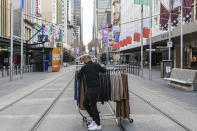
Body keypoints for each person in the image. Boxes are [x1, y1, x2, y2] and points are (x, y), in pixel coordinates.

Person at [77, 55, 106, 130]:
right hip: (95, 88)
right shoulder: (96, 65)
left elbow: (78, 76)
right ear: (90, 59)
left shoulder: (84, 67)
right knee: (85, 104)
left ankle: (98, 124)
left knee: (93, 106)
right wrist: (102, 66)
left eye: (84, 60)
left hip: (91, 89)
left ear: (86, 60)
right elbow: (104, 71)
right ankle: (94, 120)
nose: (84, 61)